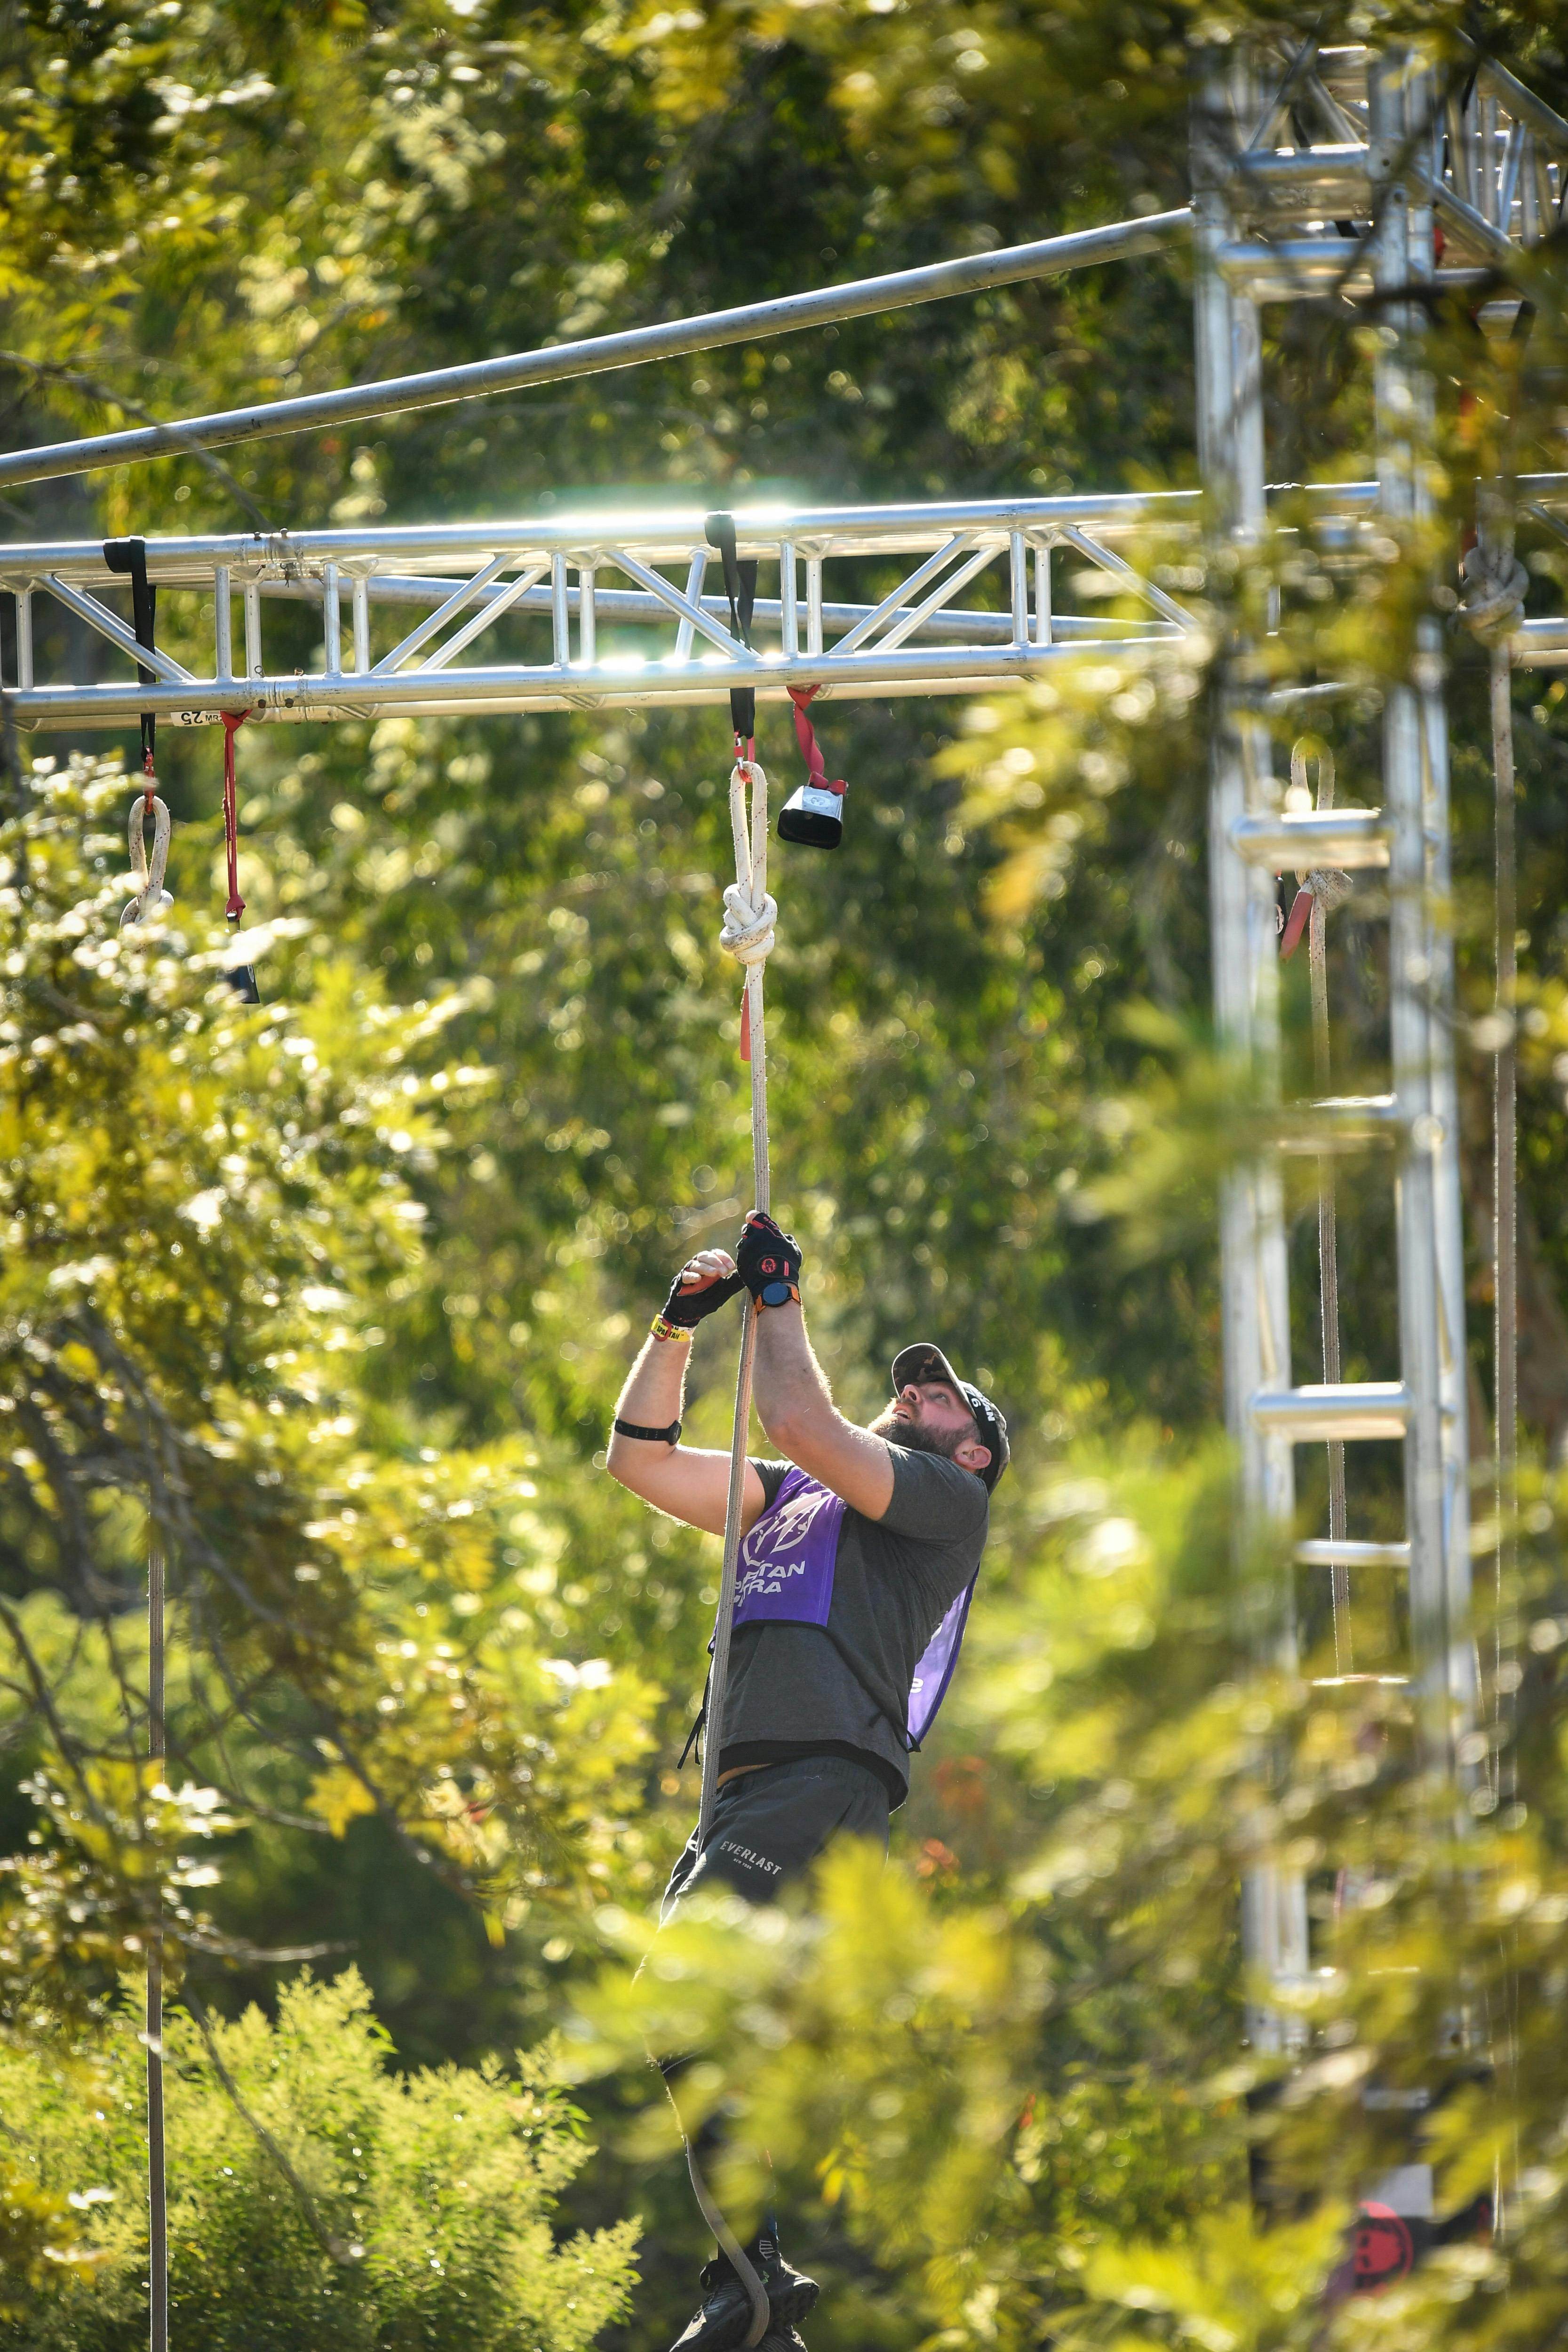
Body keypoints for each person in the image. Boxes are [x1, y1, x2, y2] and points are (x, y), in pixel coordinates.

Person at [606, 1208, 1008, 2352]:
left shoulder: (945, 1506)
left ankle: (753, 2279)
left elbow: (797, 1412)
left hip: (822, 1776)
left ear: (970, 1449)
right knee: (683, 2013)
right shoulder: (786, 1495)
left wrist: (777, 1303)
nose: (916, 1395)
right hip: (750, 1793)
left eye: (939, 1400)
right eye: (915, 1390)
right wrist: (676, 1330)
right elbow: (637, 1458)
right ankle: (754, 2284)